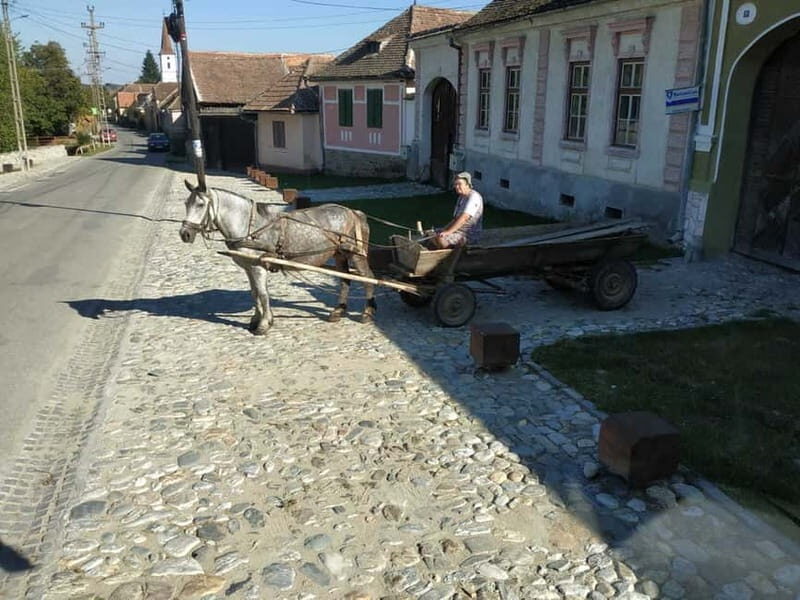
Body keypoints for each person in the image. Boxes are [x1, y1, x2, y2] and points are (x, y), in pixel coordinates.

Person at [433, 171, 484, 248]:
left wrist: (448, 232)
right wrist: (444, 229)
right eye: (455, 184)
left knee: (440, 239)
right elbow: (455, 219)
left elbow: (464, 218)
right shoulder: (461, 197)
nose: (457, 187)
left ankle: (447, 254)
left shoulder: (474, 197)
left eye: (459, 184)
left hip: (468, 235)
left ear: (467, 185)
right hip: (458, 232)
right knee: (432, 233)